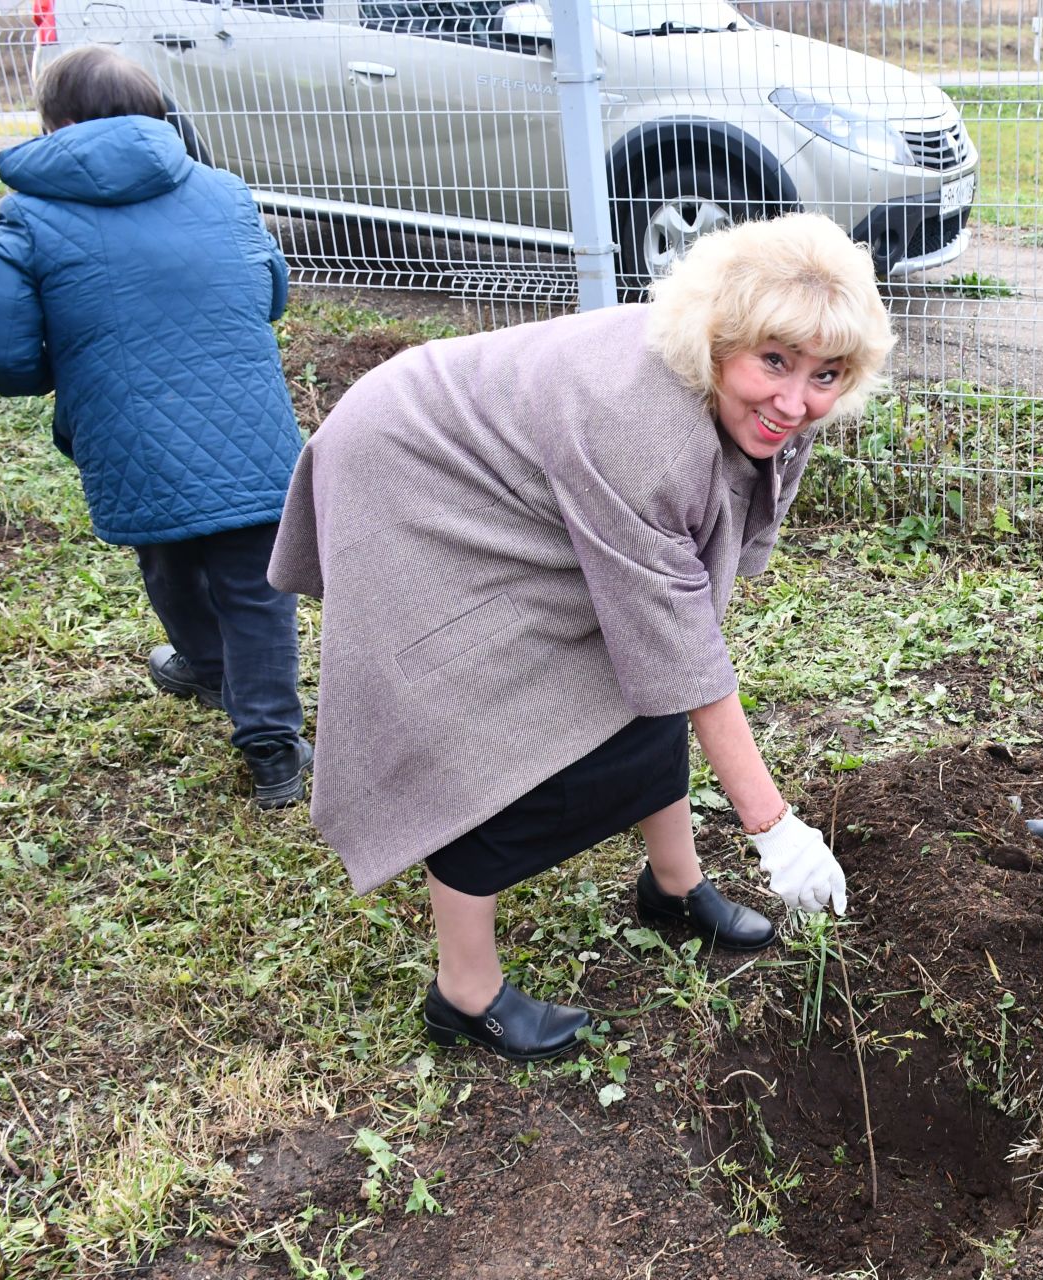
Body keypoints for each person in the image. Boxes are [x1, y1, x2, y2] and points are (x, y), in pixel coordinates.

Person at [267, 213, 895, 1063]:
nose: (794, 401)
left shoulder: (766, 408)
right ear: (718, 339)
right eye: (773, 362)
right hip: (415, 470)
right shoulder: (642, 426)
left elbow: (675, 628)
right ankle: (465, 990)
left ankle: (674, 888)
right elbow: (677, 636)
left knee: (628, 672)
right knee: (475, 713)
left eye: (825, 375)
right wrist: (773, 824)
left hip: (524, 466)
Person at [0, 46, 311, 809]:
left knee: (171, 559)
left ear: (60, 124)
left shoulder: (30, 214)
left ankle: (205, 664)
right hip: (250, 427)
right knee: (256, 584)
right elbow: (271, 293)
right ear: (154, 115)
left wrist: (77, 367)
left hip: (129, 436)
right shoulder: (222, 191)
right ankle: (273, 749)